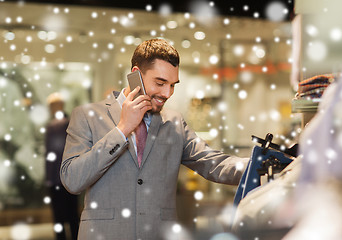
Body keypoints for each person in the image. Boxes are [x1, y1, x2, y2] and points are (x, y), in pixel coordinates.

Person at [60, 38, 249, 240]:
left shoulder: (174, 122)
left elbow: (214, 163)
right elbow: (72, 180)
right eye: (160, 83)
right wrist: (122, 129)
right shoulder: (87, 116)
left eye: (172, 85)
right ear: (135, 75)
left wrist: (265, 165)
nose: (167, 93)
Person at [45, 93, 79, 240]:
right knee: (68, 217)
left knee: (66, 217)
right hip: (62, 177)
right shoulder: (64, 123)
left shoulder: (59, 124)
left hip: (62, 177)